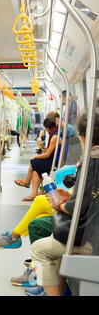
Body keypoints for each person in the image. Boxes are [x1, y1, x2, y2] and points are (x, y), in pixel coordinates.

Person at [31, 108, 99, 296]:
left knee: (39, 250)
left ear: (85, 136)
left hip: (92, 239)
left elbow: (73, 209)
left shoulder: (92, 162)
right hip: (94, 230)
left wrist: (59, 204)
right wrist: (69, 196)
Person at [15, 116, 61, 201]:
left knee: (34, 161)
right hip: (52, 161)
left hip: (55, 164)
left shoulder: (55, 137)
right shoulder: (54, 135)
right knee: (36, 169)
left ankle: (27, 182)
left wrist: (35, 156)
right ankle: (33, 194)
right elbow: (47, 151)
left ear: (48, 127)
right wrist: (41, 146)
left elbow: (47, 155)